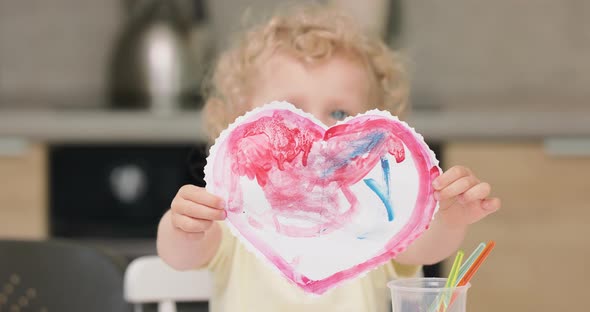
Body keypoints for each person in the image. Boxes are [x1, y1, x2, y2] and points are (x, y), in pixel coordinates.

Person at [157, 5, 501, 312]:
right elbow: (179, 255)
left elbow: (425, 247)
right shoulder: (237, 214)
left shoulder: (378, 216)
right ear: (238, 123)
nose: (317, 128)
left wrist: (449, 220)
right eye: (290, 110)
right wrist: (184, 227)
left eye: (339, 111)